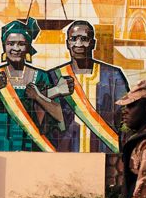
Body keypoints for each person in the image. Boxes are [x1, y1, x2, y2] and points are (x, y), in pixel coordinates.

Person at [0, 17, 64, 152]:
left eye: (21, 44)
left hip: (30, 142)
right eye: (11, 43)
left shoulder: (41, 77)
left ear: (28, 47)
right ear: (4, 46)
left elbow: (58, 114)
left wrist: (38, 97)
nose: (16, 48)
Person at [48, 20, 129, 153]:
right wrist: (55, 91)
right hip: (65, 152)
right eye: (73, 39)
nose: (79, 44)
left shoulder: (113, 75)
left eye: (84, 39)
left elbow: (125, 116)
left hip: (104, 151)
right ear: (67, 43)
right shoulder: (54, 76)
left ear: (93, 43)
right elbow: (38, 111)